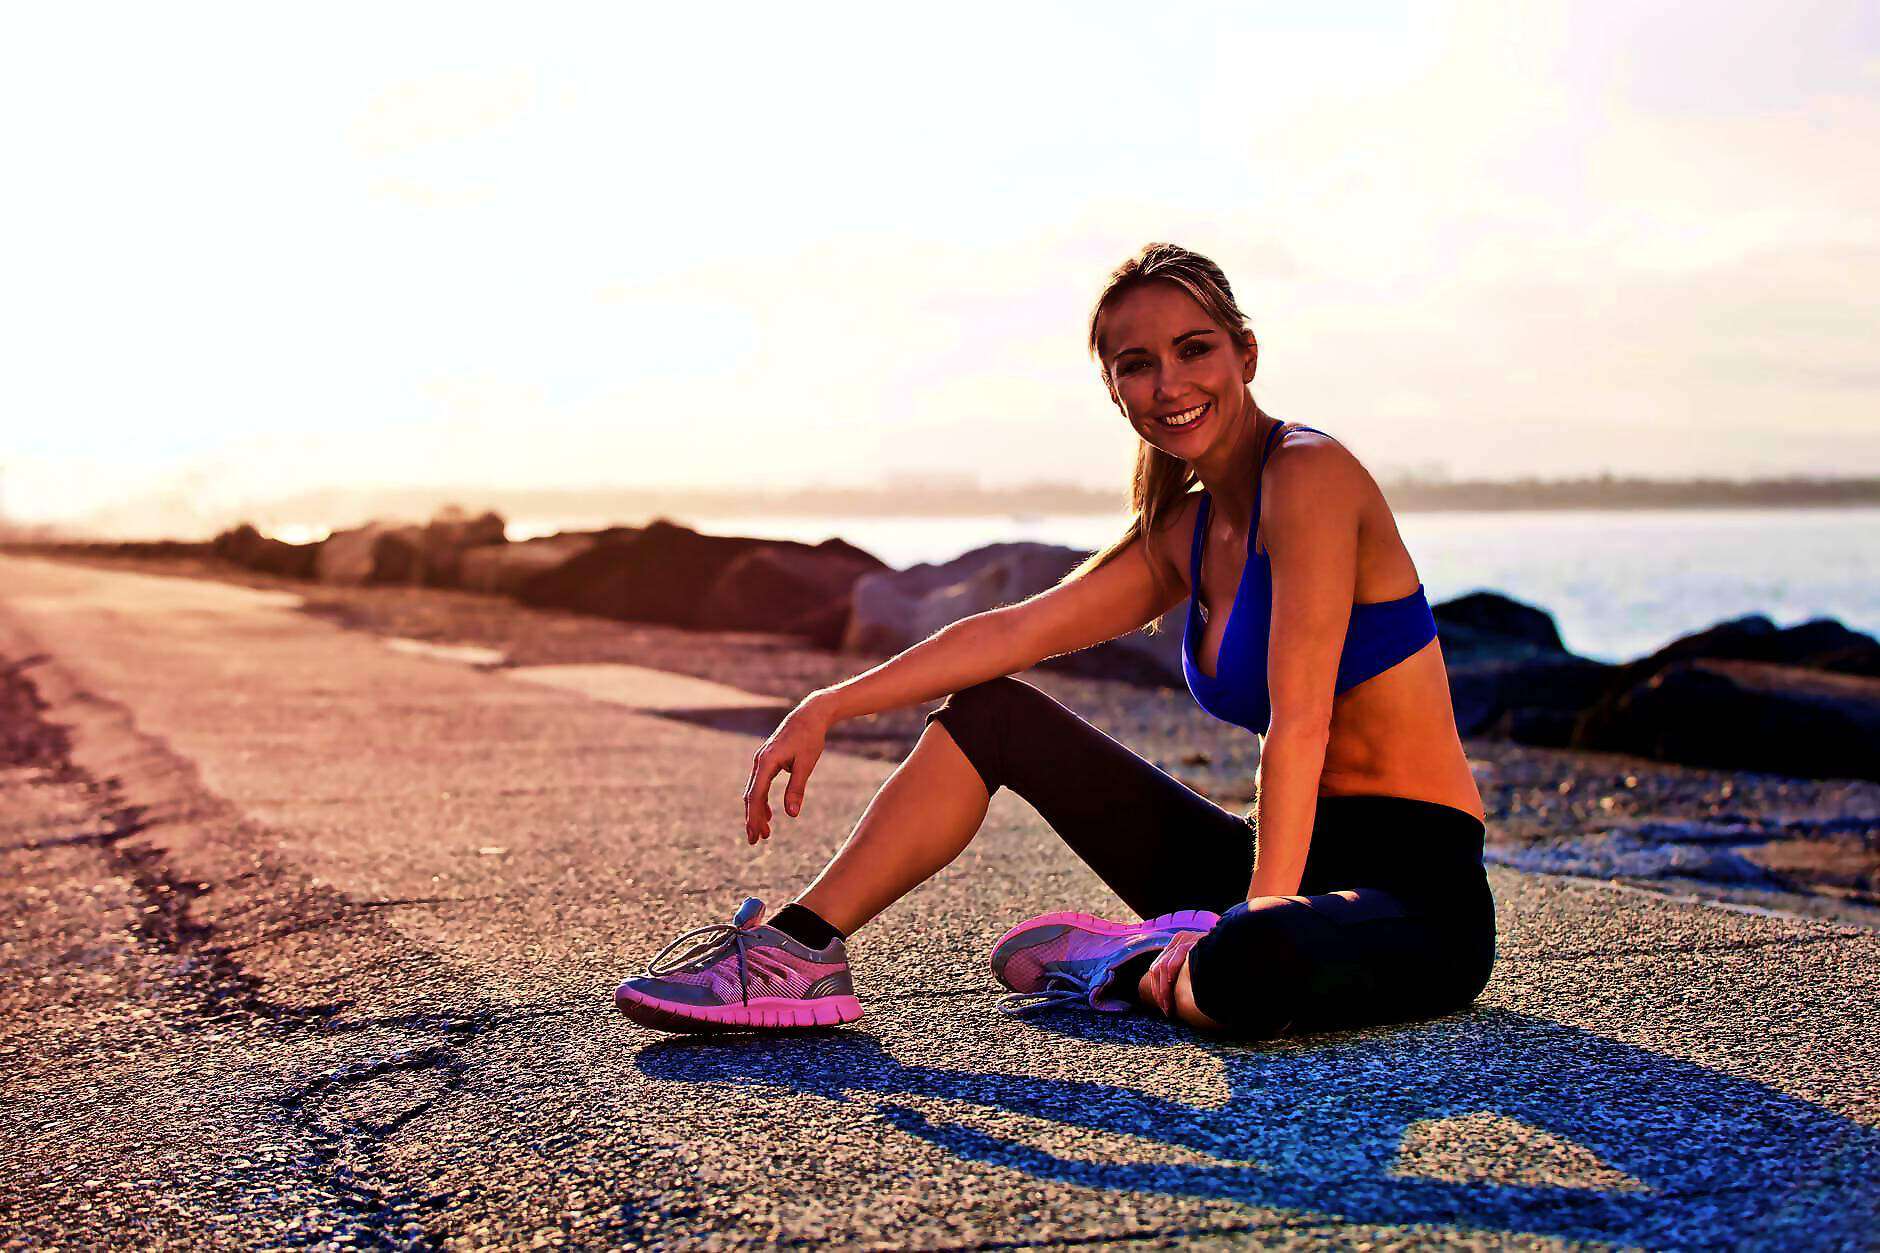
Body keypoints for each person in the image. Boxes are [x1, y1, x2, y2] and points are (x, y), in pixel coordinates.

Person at [615, 242, 1494, 1038]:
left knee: (1250, 968)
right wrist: (829, 703)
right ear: (1115, 391)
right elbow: (1017, 629)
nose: (1171, 383)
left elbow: (1299, 722)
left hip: (1414, 893)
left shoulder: (1308, 474)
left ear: (1246, 355)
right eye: (1137, 365)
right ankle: (799, 951)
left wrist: (1257, 911)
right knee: (996, 715)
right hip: (1277, 860)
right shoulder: (1187, 528)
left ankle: (1137, 963)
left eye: (1195, 350)